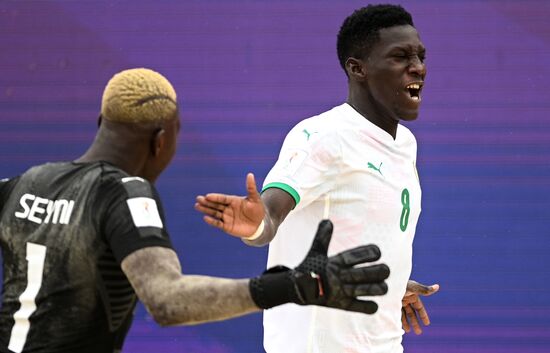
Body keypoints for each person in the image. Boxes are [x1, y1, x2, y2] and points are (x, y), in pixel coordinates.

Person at [0, 68, 392, 353]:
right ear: (160, 141)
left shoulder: (26, 182)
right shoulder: (127, 193)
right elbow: (168, 301)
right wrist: (289, 285)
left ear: (102, 121)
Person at [195, 4, 439, 353]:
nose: (418, 67)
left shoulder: (406, 144)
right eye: (400, 57)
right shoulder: (324, 136)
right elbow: (270, 217)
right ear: (358, 69)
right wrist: (255, 225)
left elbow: (363, 231)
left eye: (420, 56)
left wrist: (392, 282)